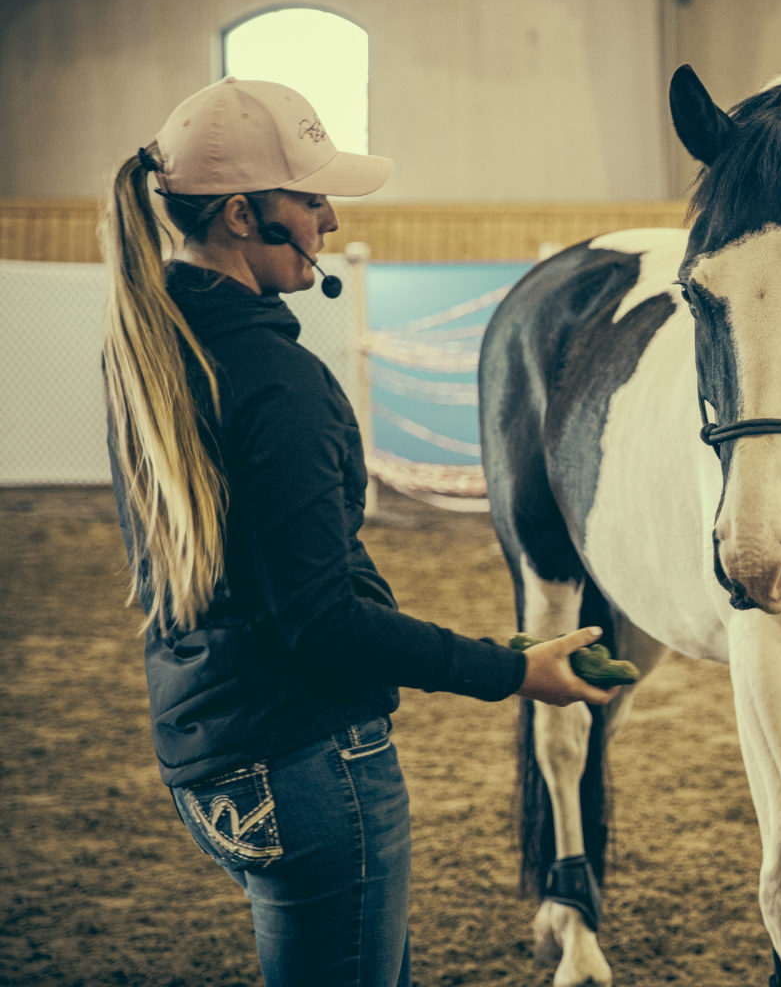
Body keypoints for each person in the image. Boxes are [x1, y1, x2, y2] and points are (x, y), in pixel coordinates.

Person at [100, 76, 619, 987]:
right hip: (309, 768)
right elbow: (323, 621)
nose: (330, 219)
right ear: (238, 215)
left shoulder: (151, 346)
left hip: (207, 759)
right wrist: (514, 670)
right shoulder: (279, 382)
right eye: (309, 199)